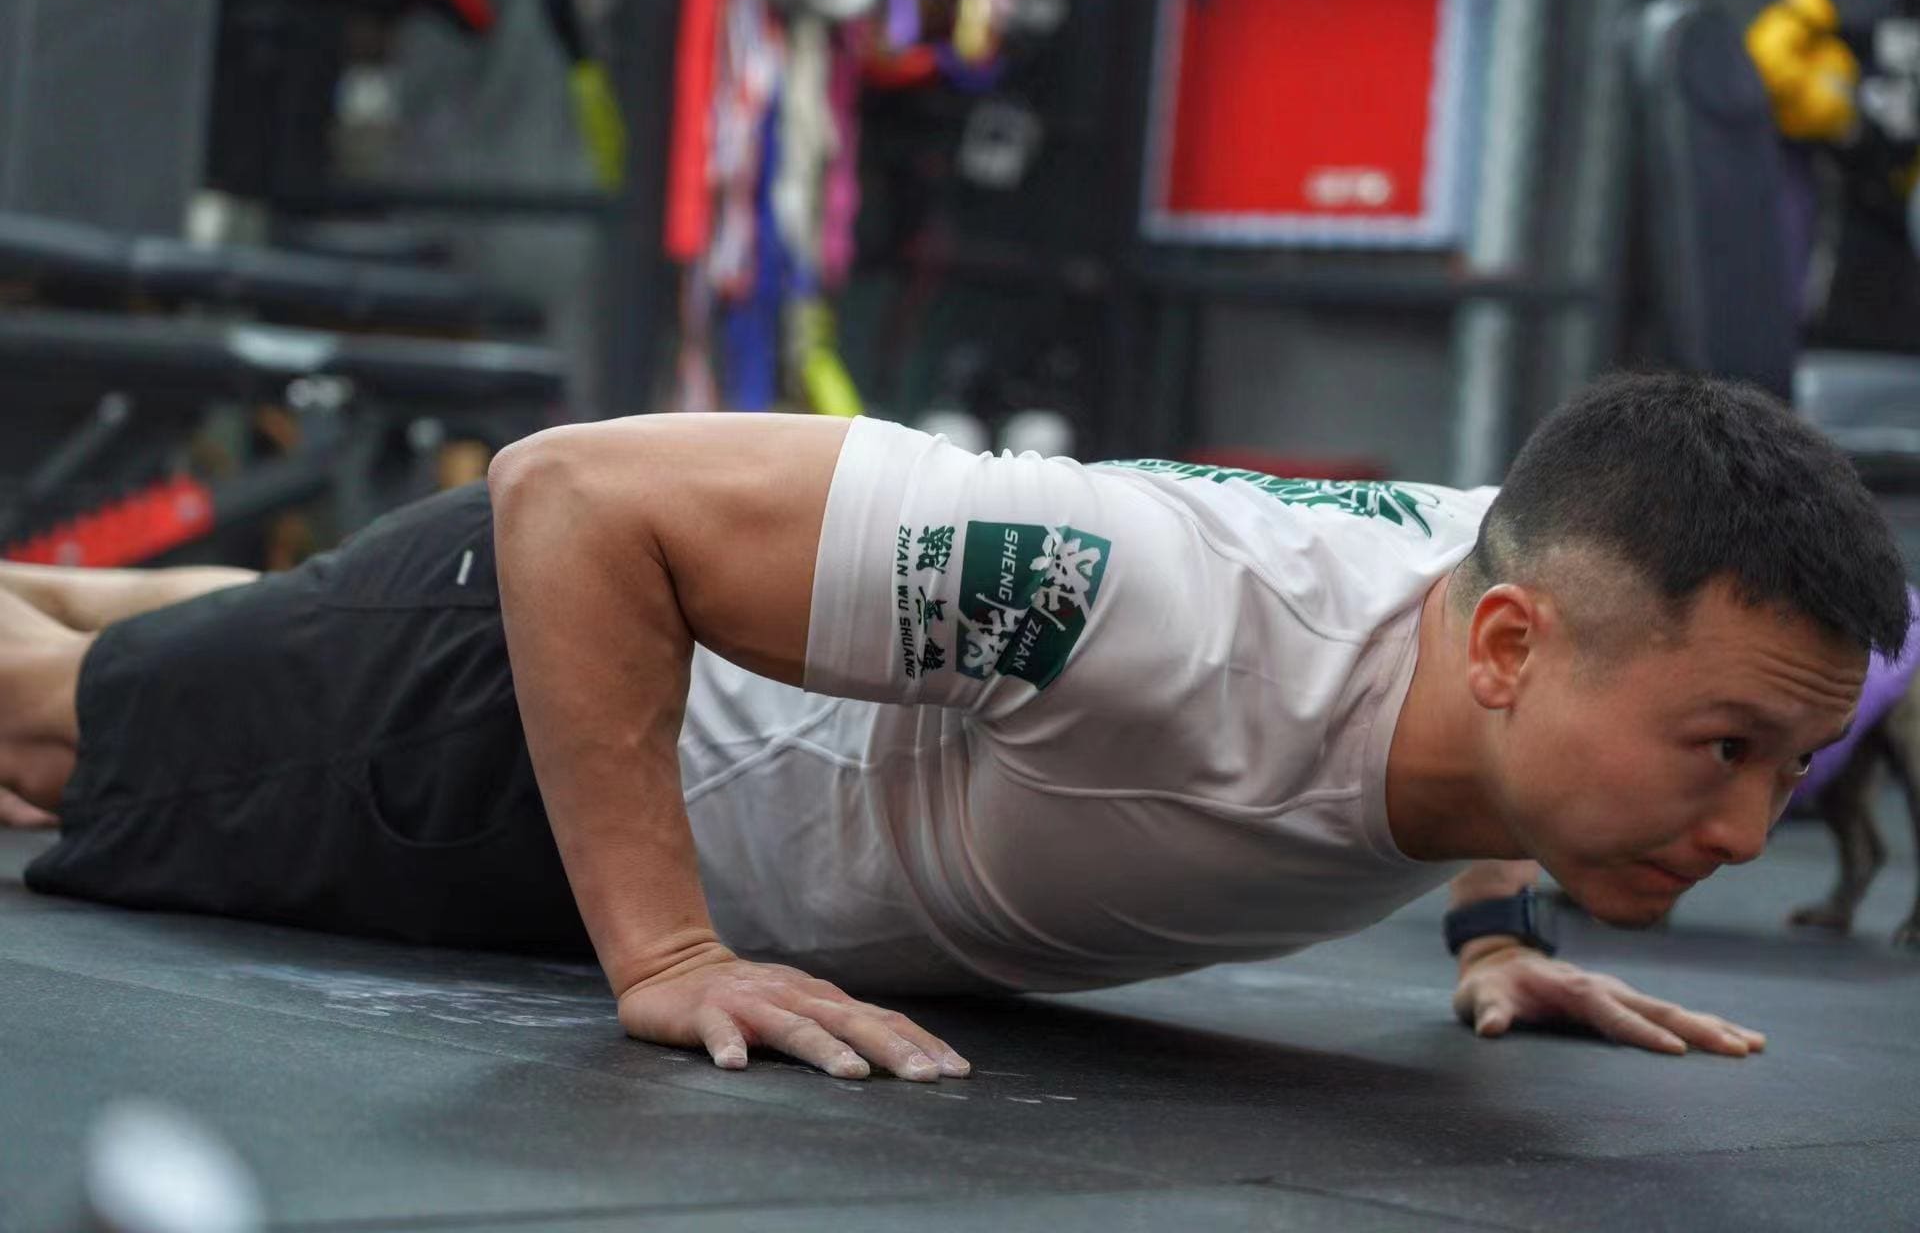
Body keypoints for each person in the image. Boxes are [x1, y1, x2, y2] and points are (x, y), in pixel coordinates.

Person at [0, 373, 1905, 1082]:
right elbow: (577, 497)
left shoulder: (1505, 596)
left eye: (1785, 772)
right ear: (1507, 645)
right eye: (1721, 752)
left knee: (104, 617)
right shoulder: (1140, 593)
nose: (1750, 831)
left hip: (514, 657)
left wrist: (1505, 920)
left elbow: (1498, 625)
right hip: (498, 723)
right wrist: (662, 954)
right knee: (31, 727)